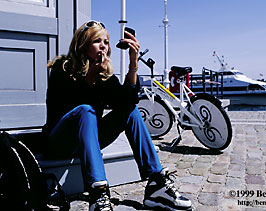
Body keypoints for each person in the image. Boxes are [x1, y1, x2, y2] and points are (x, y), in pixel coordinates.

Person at [43, 20, 192, 211]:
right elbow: (69, 106)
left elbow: (127, 103)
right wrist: (91, 77)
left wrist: (133, 63)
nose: (103, 46)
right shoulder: (62, 68)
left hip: (88, 141)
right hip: (59, 141)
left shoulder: (103, 74)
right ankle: (98, 194)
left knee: (130, 110)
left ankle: (156, 183)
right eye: (97, 40)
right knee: (86, 111)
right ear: (83, 44)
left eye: (106, 42)